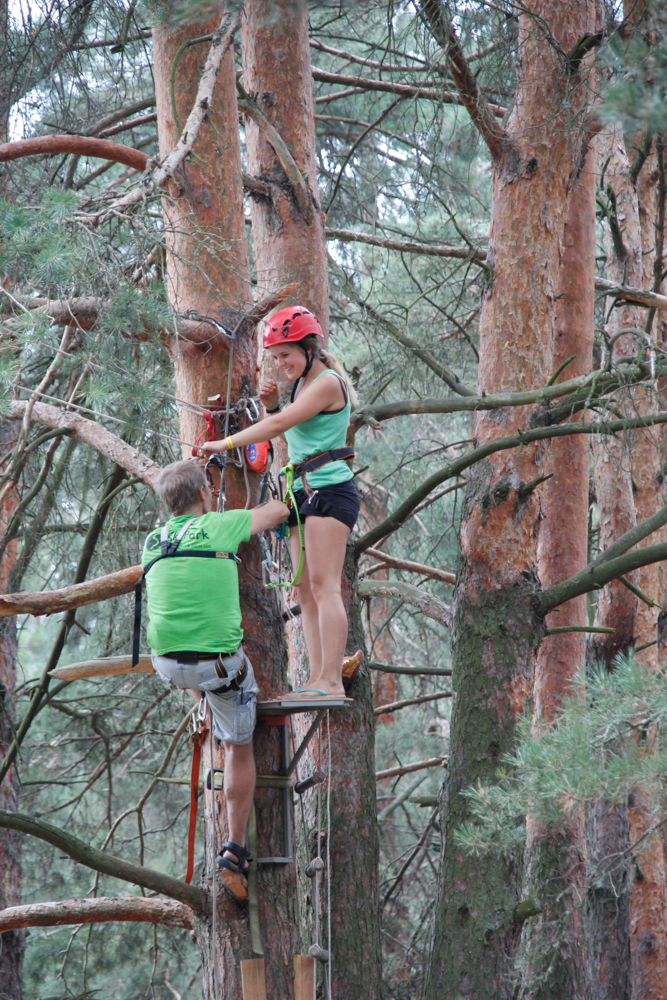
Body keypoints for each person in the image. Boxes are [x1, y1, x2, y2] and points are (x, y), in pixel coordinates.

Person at [199, 305, 360, 701]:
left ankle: (331, 681)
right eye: (275, 357)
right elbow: (293, 431)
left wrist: (225, 442)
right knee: (304, 590)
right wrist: (273, 405)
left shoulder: (328, 382)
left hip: (329, 492)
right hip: (303, 493)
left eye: (285, 354)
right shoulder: (304, 386)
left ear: (309, 348)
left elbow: (279, 426)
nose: (280, 364)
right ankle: (316, 679)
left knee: (324, 586)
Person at [143, 459, 288, 879]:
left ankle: (204, 704)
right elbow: (277, 512)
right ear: (204, 493)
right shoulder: (220, 526)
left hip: (168, 666)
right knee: (237, 745)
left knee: (198, 668)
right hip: (219, 668)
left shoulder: (153, 541)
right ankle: (235, 848)